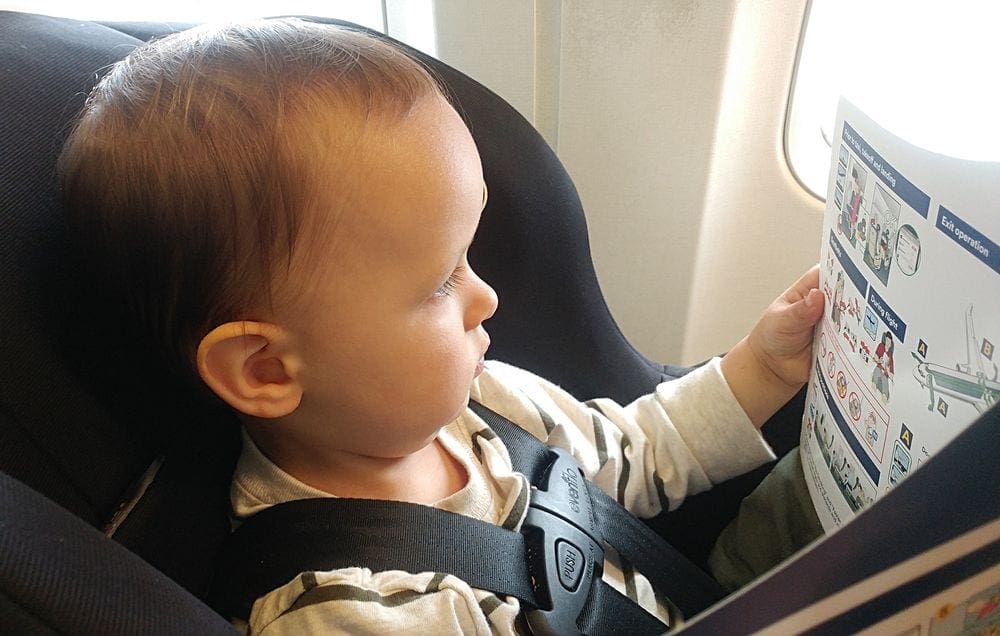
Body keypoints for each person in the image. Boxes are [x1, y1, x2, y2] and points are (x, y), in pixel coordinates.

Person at [59, 18, 825, 634]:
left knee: (816, 489)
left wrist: (762, 369)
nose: (485, 297)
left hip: (701, 592)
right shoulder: (346, 608)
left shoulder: (479, 403)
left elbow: (625, 453)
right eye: (439, 283)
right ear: (265, 370)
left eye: (469, 257)